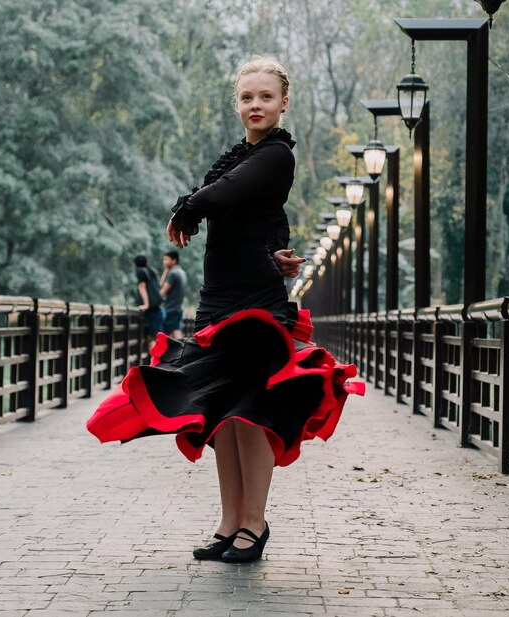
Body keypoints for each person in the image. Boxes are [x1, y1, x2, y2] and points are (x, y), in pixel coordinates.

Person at [88, 57, 362, 563]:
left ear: (283, 103)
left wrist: (189, 207)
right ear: (237, 104)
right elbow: (266, 217)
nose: (255, 105)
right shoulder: (241, 155)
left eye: (265, 97)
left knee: (251, 411)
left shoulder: (277, 154)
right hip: (218, 296)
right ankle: (228, 521)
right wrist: (276, 248)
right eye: (246, 97)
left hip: (255, 301)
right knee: (224, 412)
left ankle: (254, 524)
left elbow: (229, 194)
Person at [134, 255, 164, 347]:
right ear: (146, 262)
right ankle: (155, 360)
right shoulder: (151, 272)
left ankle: (155, 360)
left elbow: (142, 287)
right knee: (153, 337)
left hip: (151, 310)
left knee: (154, 338)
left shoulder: (140, 271)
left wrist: (146, 305)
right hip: (157, 309)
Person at [159, 250, 188, 339]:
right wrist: (166, 269)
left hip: (170, 309)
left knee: (163, 335)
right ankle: (181, 352)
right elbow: (161, 284)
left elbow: (162, 292)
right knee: (176, 332)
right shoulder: (181, 272)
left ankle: (163, 353)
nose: (164, 262)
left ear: (173, 261)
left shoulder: (173, 273)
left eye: (166, 259)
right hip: (178, 308)